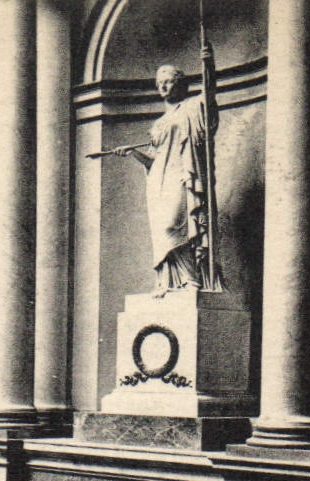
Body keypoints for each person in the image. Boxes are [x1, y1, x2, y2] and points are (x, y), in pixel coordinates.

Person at [115, 45, 218, 295]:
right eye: (159, 82)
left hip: (181, 176)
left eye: (168, 82)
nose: (162, 87)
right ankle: (169, 282)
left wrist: (209, 66)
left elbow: (210, 100)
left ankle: (191, 279)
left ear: (180, 85)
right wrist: (133, 152)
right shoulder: (158, 123)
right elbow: (153, 160)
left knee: (174, 224)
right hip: (158, 181)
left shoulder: (192, 107)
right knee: (162, 230)